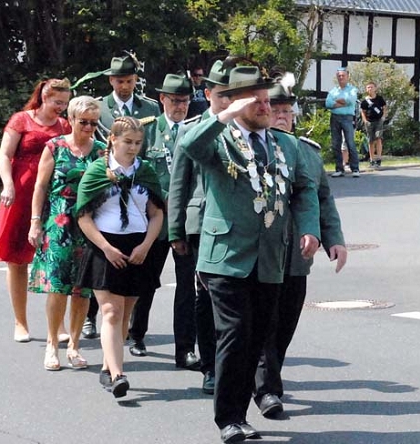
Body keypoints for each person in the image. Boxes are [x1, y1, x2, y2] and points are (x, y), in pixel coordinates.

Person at [179, 65, 321, 443]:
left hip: (270, 257)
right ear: (235, 102)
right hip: (225, 255)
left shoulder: (285, 143)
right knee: (236, 332)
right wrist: (223, 112)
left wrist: (310, 229)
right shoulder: (219, 139)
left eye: (266, 99)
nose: (265, 106)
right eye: (256, 100)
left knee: (258, 336)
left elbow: (305, 190)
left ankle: (240, 415)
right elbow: (188, 147)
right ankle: (227, 418)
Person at [254, 80, 348, 418]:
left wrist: (333, 238)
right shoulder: (253, 147)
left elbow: (323, 198)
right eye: (275, 111)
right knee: (265, 321)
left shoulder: (306, 151)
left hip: (296, 255)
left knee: (286, 322)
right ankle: (267, 390)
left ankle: (265, 375)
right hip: (261, 252)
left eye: (286, 112)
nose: (281, 117)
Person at [76, 116, 164, 398]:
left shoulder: (146, 171)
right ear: (112, 139)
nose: (133, 148)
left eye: (138, 143)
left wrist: (147, 245)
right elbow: (83, 216)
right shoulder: (97, 170)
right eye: (127, 142)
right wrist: (105, 247)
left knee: (125, 311)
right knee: (111, 311)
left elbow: (157, 213)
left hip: (138, 245)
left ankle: (107, 367)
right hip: (106, 244)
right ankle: (118, 374)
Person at [83, 53, 161, 340]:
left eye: (129, 80)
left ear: (135, 81)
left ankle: (132, 327)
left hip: (138, 183)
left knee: (133, 271)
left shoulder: (149, 107)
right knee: (102, 265)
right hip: (105, 181)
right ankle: (92, 317)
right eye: (119, 80)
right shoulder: (100, 107)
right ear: (111, 80)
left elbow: (150, 147)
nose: (124, 85)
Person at [167, 60, 233, 394]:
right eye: (222, 95)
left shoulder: (240, 127)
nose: (227, 102)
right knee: (204, 297)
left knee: (232, 301)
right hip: (199, 224)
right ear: (207, 94)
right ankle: (209, 366)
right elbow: (179, 183)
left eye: (233, 95)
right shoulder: (191, 129)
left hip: (234, 226)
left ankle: (231, 364)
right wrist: (175, 230)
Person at [128, 73, 201, 370]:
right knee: (146, 280)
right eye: (175, 101)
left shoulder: (197, 131)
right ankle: (136, 334)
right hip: (154, 219)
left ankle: (185, 348)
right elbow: (134, 173)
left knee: (188, 286)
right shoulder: (149, 131)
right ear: (162, 100)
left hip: (185, 221)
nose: (180, 106)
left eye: (185, 101)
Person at [0, 78, 72, 343]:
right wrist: (7, 185)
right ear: (44, 98)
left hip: (54, 196)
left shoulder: (65, 125)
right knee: (16, 260)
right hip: (20, 193)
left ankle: (58, 325)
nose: (61, 107)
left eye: (65, 102)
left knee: (56, 258)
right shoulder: (21, 120)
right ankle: (20, 322)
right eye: (57, 102)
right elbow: (4, 155)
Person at [28, 96, 105, 371]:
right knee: (58, 288)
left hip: (89, 224)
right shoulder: (55, 147)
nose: (88, 127)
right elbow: (40, 187)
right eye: (83, 121)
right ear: (70, 120)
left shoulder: (100, 151)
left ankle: (74, 346)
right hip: (58, 223)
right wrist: (35, 222)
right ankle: (52, 344)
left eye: (94, 123)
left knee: (83, 290)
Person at [325, 67, 360, 178]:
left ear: (347, 76)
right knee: (336, 144)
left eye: (343, 76)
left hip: (347, 117)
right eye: (339, 76)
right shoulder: (333, 91)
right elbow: (328, 104)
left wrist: (336, 101)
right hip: (334, 117)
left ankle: (355, 168)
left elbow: (350, 100)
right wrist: (342, 102)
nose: (341, 78)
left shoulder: (352, 90)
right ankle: (339, 169)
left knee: (350, 143)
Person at [360, 81, 387, 169]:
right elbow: (363, 112)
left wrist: (383, 117)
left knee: (378, 138)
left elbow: (384, 108)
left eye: (371, 87)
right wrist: (365, 121)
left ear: (375, 88)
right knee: (371, 140)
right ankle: (372, 160)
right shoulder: (365, 101)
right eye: (368, 87)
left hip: (378, 121)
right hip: (369, 121)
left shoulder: (379, 98)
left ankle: (378, 159)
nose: (370, 89)